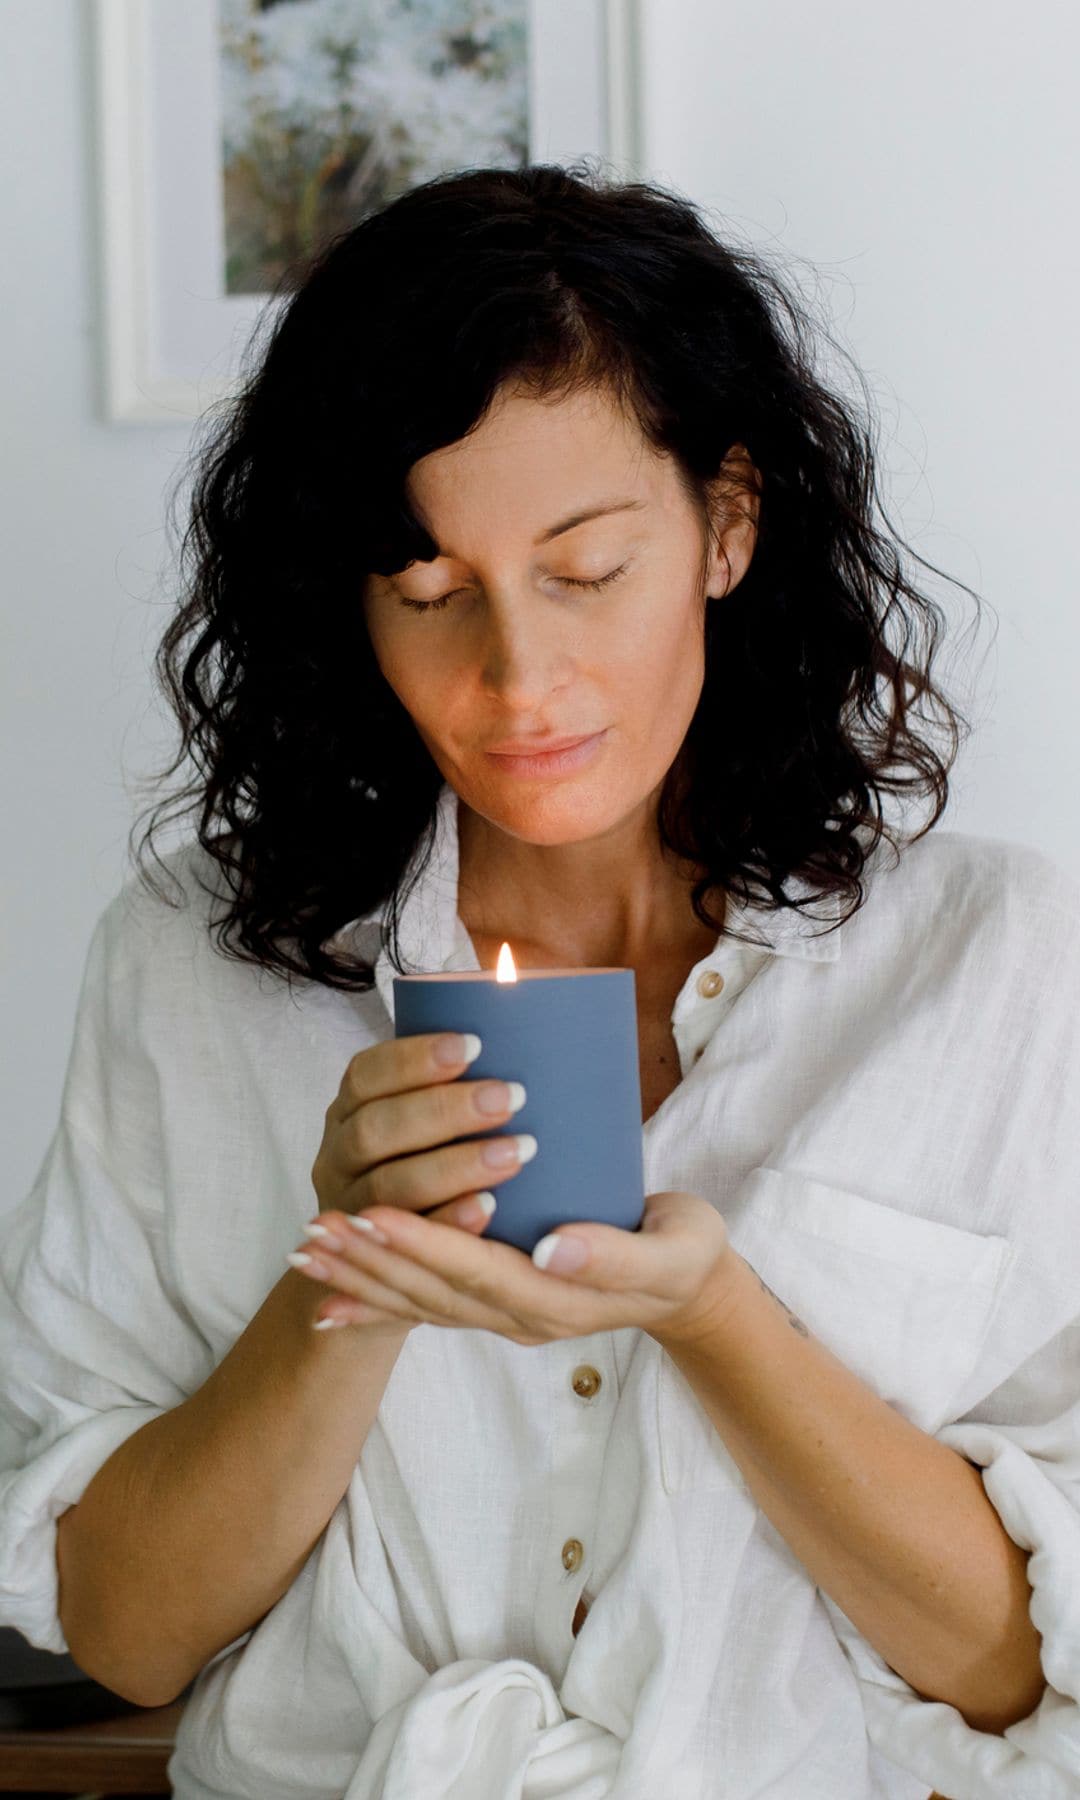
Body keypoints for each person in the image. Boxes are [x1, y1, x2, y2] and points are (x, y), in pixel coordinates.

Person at [2, 161, 1078, 1800]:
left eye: (585, 571)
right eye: (430, 594)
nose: (518, 682)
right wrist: (347, 1284)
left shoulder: (997, 970)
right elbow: (126, 1639)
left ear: (727, 523)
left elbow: (1013, 1670)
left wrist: (713, 1315)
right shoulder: (194, 966)